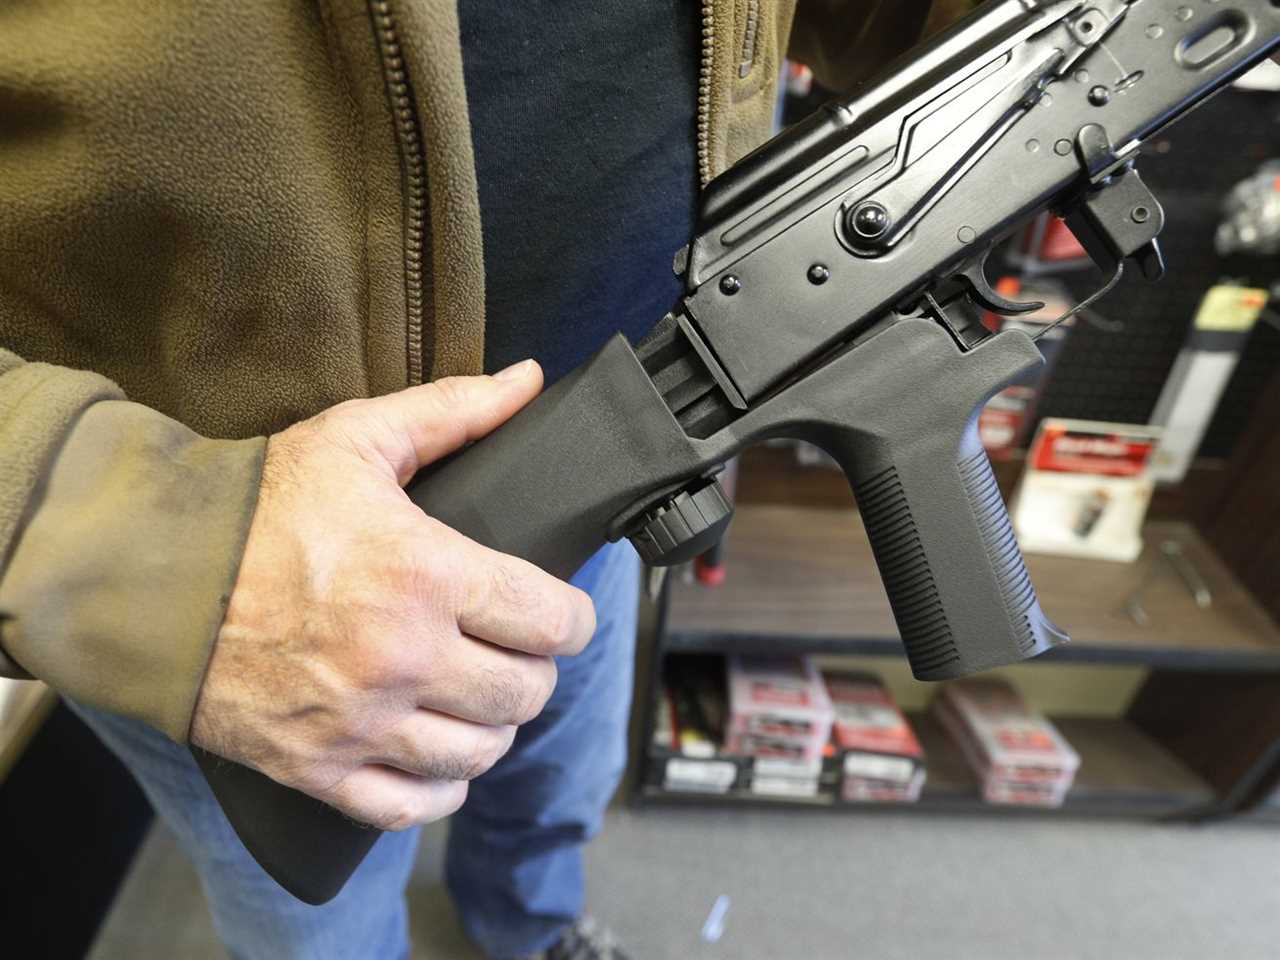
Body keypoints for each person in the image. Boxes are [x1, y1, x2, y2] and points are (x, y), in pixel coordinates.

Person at [0, 2, 964, 957]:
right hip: (270, 561)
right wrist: (173, 555)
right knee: (319, 925)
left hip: (620, 456)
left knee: (556, 792)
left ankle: (528, 932)